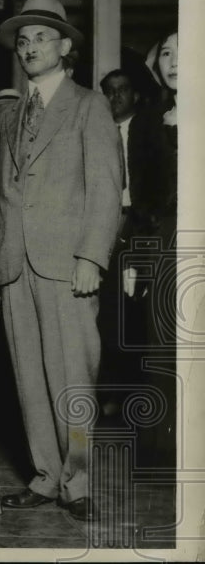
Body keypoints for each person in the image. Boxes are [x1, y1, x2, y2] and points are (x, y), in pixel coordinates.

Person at [0, 0, 122, 521]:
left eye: (41, 37)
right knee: (29, 376)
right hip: (16, 266)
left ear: (66, 47)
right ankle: (46, 476)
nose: (29, 47)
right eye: (22, 40)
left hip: (67, 264)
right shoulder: (12, 112)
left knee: (72, 376)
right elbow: (4, 193)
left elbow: (107, 189)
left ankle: (79, 481)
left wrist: (92, 256)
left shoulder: (89, 105)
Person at [127, 30, 178, 463]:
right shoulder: (148, 120)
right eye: (165, 52)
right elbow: (141, 190)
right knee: (163, 340)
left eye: (184, 51)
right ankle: (165, 450)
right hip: (164, 238)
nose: (174, 60)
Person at [96, 67, 146, 415]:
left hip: (140, 226)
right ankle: (111, 395)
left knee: (136, 314)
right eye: (109, 91)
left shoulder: (148, 131)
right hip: (105, 227)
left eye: (122, 90)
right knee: (108, 315)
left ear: (136, 95)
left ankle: (137, 397)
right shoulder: (97, 132)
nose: (115, 98)